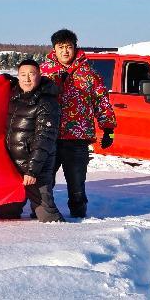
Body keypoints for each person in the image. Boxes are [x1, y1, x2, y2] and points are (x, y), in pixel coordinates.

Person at [40, 29, 116, 218]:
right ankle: (41, 213)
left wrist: (108, 129)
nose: (65, 51)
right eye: (61, 47)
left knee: (76, 184)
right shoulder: (43, 72)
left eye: (69, 47)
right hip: (49, 137)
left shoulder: (88, 73)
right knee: (45, 182)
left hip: (77, 138)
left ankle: (78, 216)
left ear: (75, 48)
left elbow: (101, 101)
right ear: (54, 49)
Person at [0, 59, 65, 222]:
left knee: (47, 214)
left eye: (31, 74)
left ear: (39, 76)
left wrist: (32, 171)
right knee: (8, 215)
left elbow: (45, 139)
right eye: (23, 75)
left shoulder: (47, 102)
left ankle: (64, 236)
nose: (27, 79)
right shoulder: (13, 95)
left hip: (35, 167)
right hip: (13, 167)